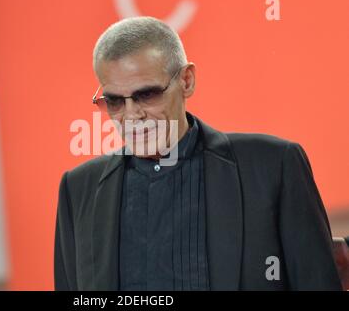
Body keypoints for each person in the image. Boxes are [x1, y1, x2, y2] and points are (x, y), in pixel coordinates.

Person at [54, 16, 342, 290]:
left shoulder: (273, 167)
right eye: (115, 101)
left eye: (147, 94)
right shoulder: (78, 190)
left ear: (187, 81)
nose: (131, 115)